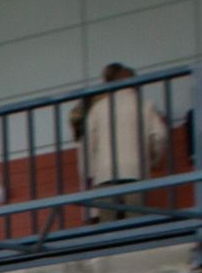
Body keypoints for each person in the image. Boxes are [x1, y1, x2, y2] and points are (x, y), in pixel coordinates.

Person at [68, 64, 167, 220]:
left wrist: (89, 172)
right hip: (135, 171)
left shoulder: (98, 108)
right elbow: (160, 135)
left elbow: (87, 144)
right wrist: (154, 160)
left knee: (109, 225)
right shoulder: (145, 105)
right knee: (136, 222)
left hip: (104, 174)